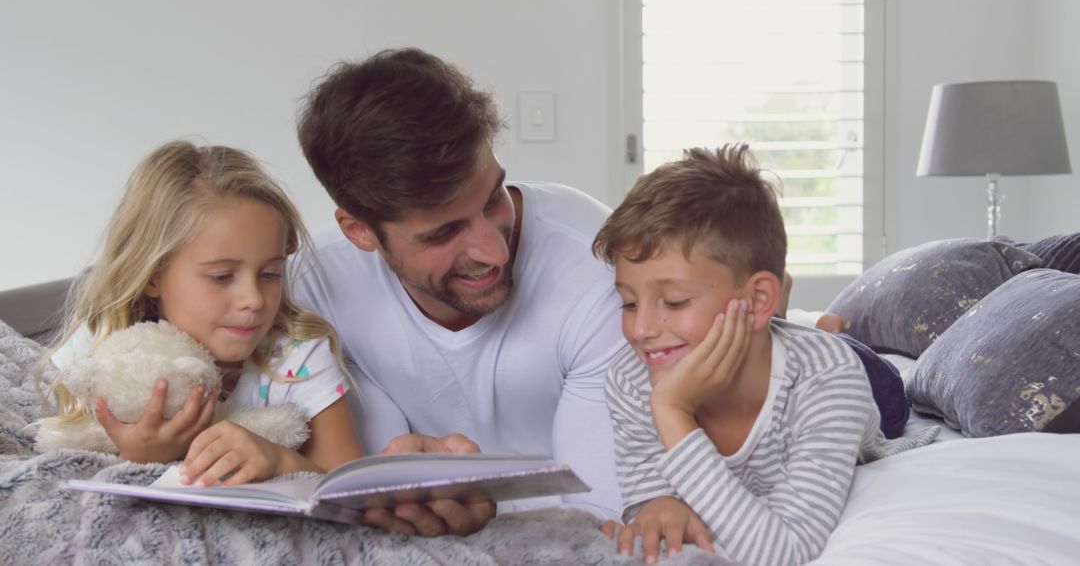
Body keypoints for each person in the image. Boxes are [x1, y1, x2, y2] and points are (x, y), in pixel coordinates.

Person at [292, 47, 627, 536]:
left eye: (493, 198)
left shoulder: (602, 263)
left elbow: (608, 517)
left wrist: (489, 509)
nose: (494, 251)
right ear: (360, 230)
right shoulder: (315, 287)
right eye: (444, 233)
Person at [592, 144, 939, 565]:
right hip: (764, 345)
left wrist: (672, 411)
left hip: (869, 399)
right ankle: (786, 322)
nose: (641, 330)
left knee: (882, 384)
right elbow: (648, 494)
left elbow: (785, 553)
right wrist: (655, 505)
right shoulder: (630, 378)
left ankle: (822, 329)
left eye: (676, 301)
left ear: (757, 299)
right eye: (629, 304)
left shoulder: (828, 381)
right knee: (775, 343)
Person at [42, 140, 364, 487]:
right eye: (222, 277)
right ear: (152, 276)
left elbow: (352, 487)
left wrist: (278, 459)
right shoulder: (104, 348)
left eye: (270, 274)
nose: (254, 299)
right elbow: (67, 465)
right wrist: (137, 459)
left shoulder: (298, 356)